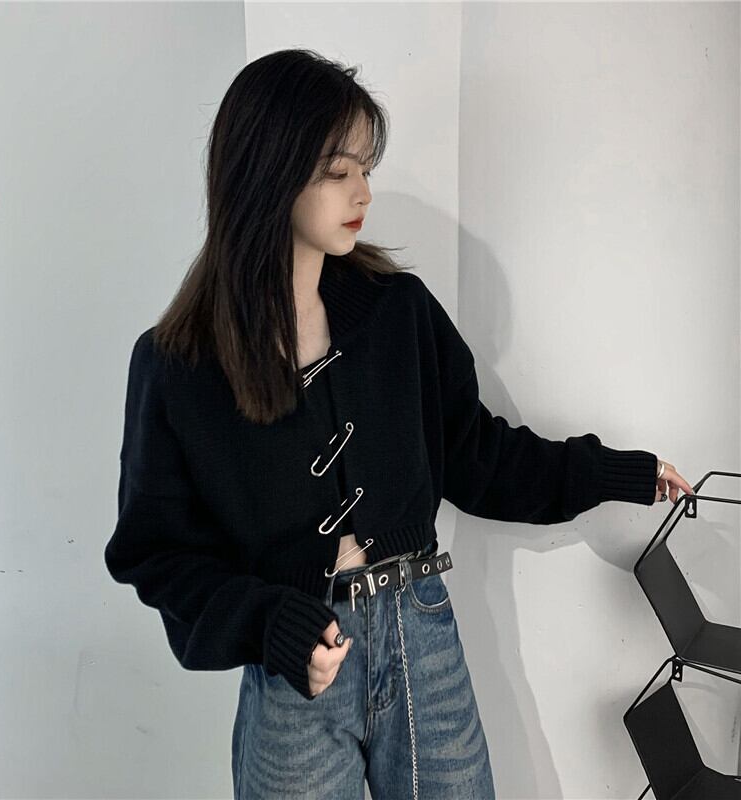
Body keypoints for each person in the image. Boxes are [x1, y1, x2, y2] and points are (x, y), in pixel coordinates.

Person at [103, 48, 694, 800]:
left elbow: (478, 457)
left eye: (366, 168)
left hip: (424, 642)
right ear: (268, 172)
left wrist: (622, 473)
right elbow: (156, 551)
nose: (363, 192)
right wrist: (269, 622)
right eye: (337, 170)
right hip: (297, 673)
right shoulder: (179, 364)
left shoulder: (397, 314)